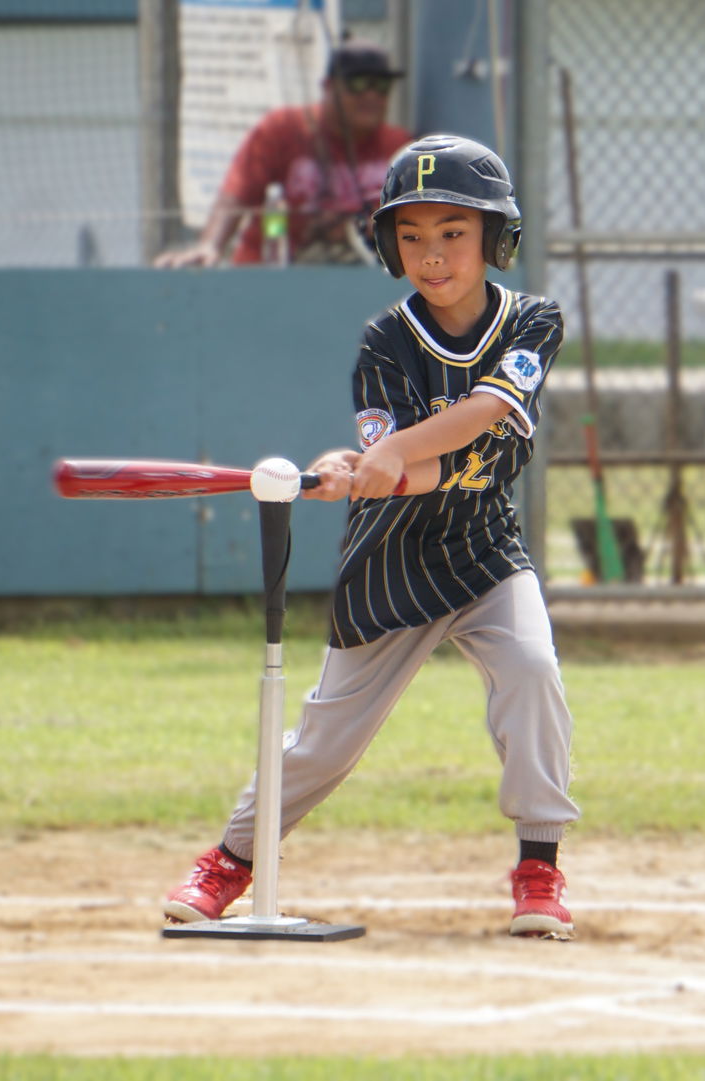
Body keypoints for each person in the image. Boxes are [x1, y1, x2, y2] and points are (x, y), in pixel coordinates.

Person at [163, 134, 581, 938]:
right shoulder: (383, 341)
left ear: (496, 238)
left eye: (455, 232)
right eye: (413, 235)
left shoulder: (534, 321)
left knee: (533, 670)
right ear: (391, 246)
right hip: (391, 562)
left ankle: (540, 867)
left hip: (488, 550)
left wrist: (386, 455)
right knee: (324, 741)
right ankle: (229, 860)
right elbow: (407, 470)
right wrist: (366, 468)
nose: (433, 254)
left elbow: (488, 426)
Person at [154, 40, 413, 268]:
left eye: (382, 85)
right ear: (328, 87)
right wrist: (210, 245)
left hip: (352, 277)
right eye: (358, 83)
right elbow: (237, 192)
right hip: (273, 275)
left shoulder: (398, 147)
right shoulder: (284, 129)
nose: (372, 95)